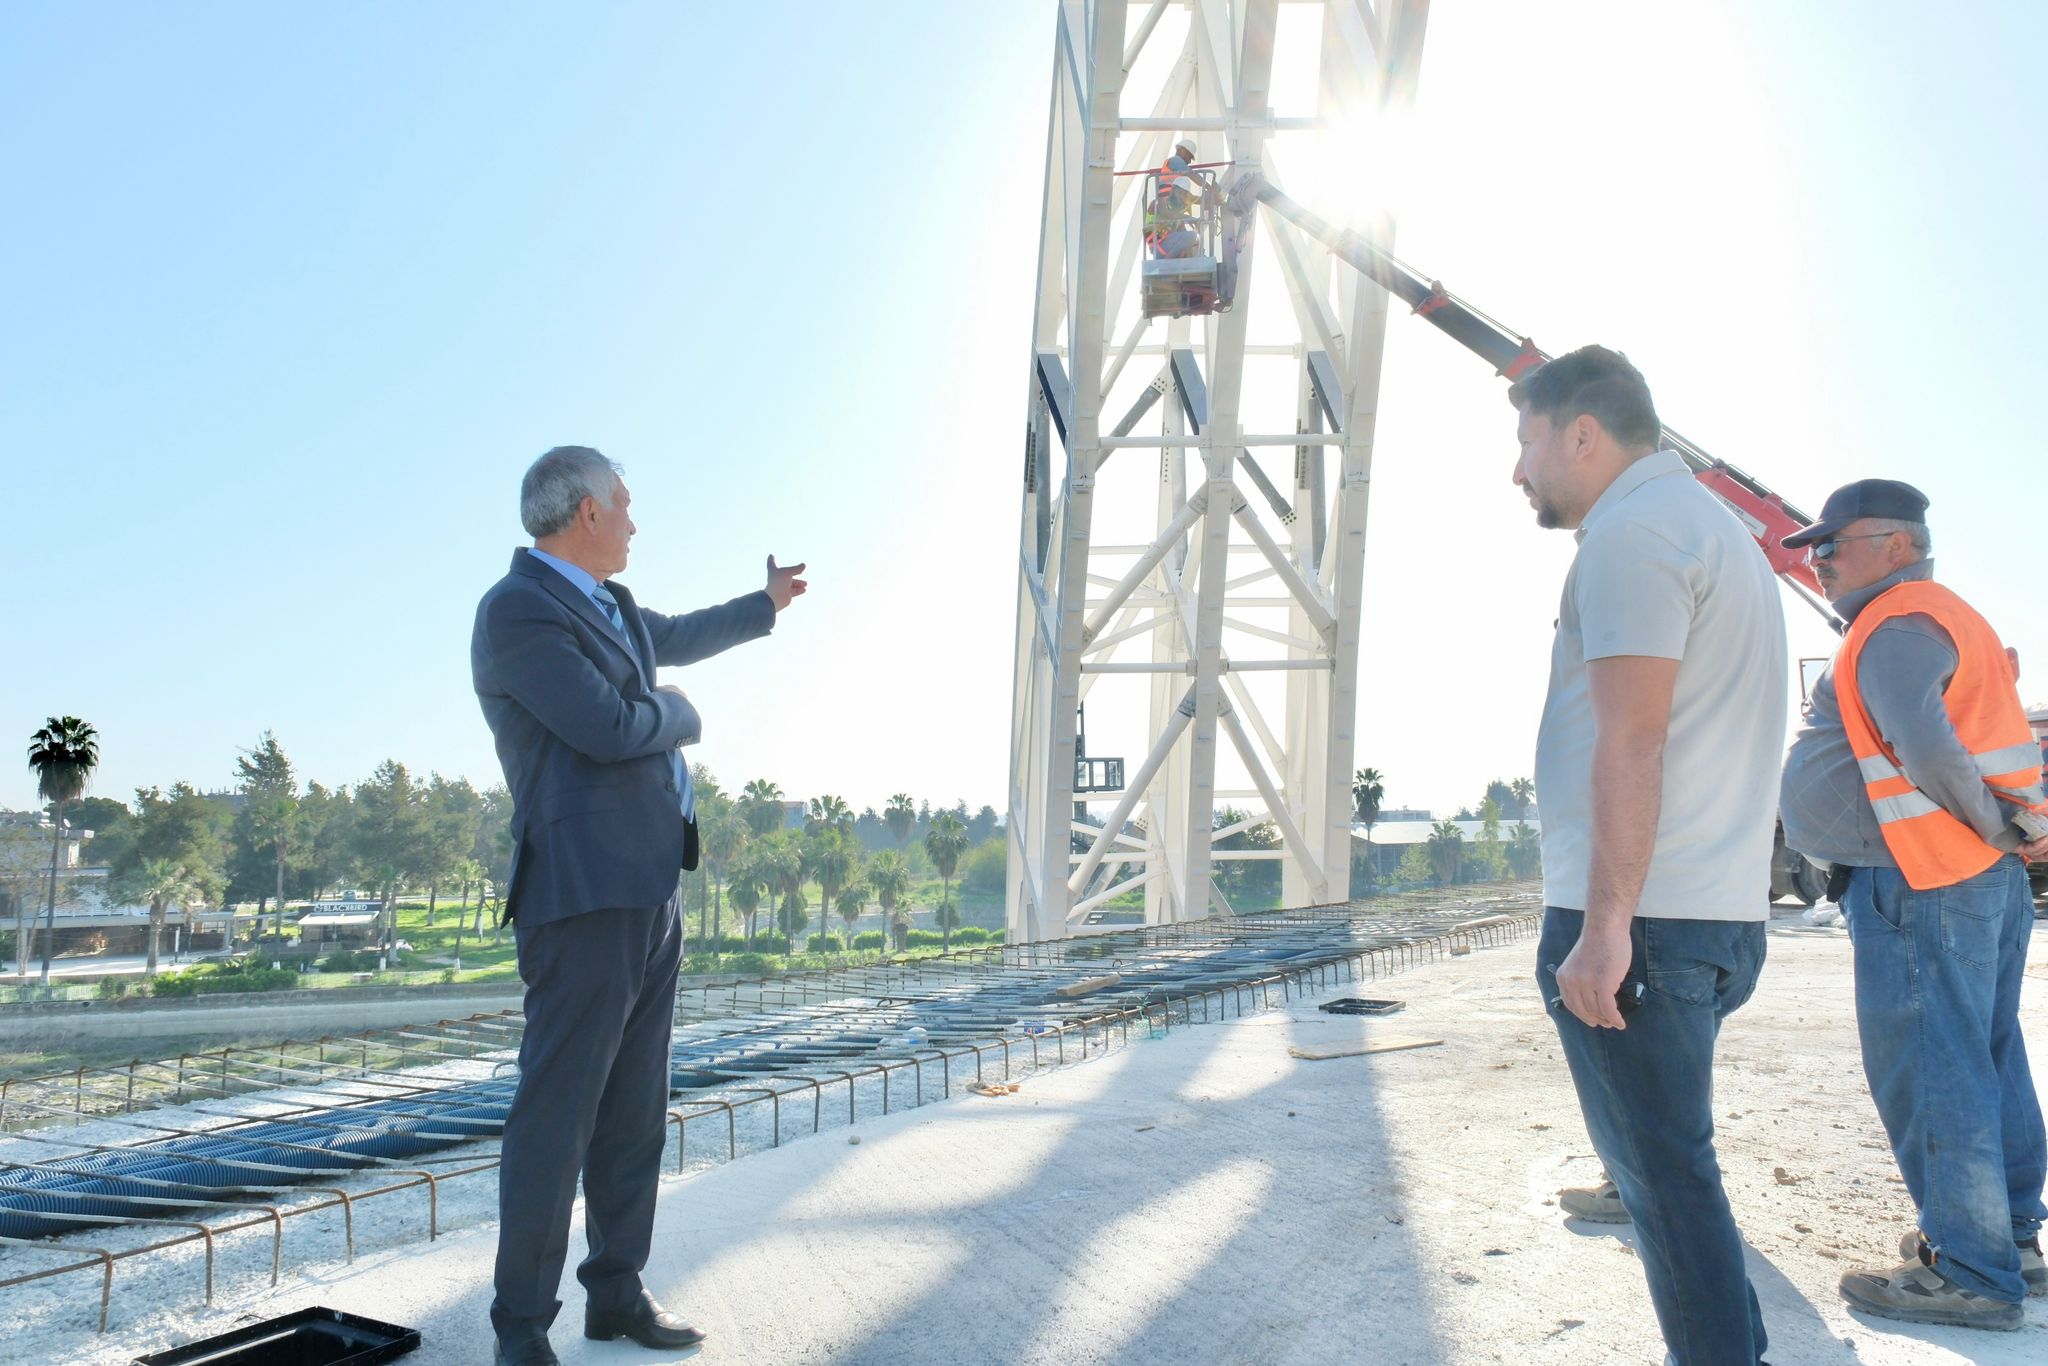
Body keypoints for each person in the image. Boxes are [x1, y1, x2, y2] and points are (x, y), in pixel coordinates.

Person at [472, 445, 807, 1366]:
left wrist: (765, 605)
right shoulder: (516, 611)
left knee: (633, 1113)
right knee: (557, 1116)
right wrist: (683, 711)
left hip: (651, 885)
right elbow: (608, 728)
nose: (632, 521)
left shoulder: (609, 604)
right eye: (623, 504)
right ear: (585, 512)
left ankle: (615, 1294)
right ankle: (520, 1329)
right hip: (581, 892)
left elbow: (679, 632)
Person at [1514, 345, 1787, 1364]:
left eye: (1527, 441)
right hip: (1709, 910)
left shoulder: (1633, 535)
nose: (1517, 469)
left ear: (1582, 433)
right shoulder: (1716, 531)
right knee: (1676, 1173)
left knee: (1665, 1185)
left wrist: (1602, 928)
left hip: (1645, 924)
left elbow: (1632, 738)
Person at [1778, 479, 2047, 1330]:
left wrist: (1993, 823)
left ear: (1897, 545)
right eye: (1812, 551)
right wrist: (2005, 829)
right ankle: (2006, 1241)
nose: (1818, 563)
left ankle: (1971, 1271)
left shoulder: (1893, 624)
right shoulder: (1940, 615)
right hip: (1965, 874)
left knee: (1934, 1065)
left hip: (1920, 876)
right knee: (1986, 1054)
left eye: (1832, 545)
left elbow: (1922, 742)